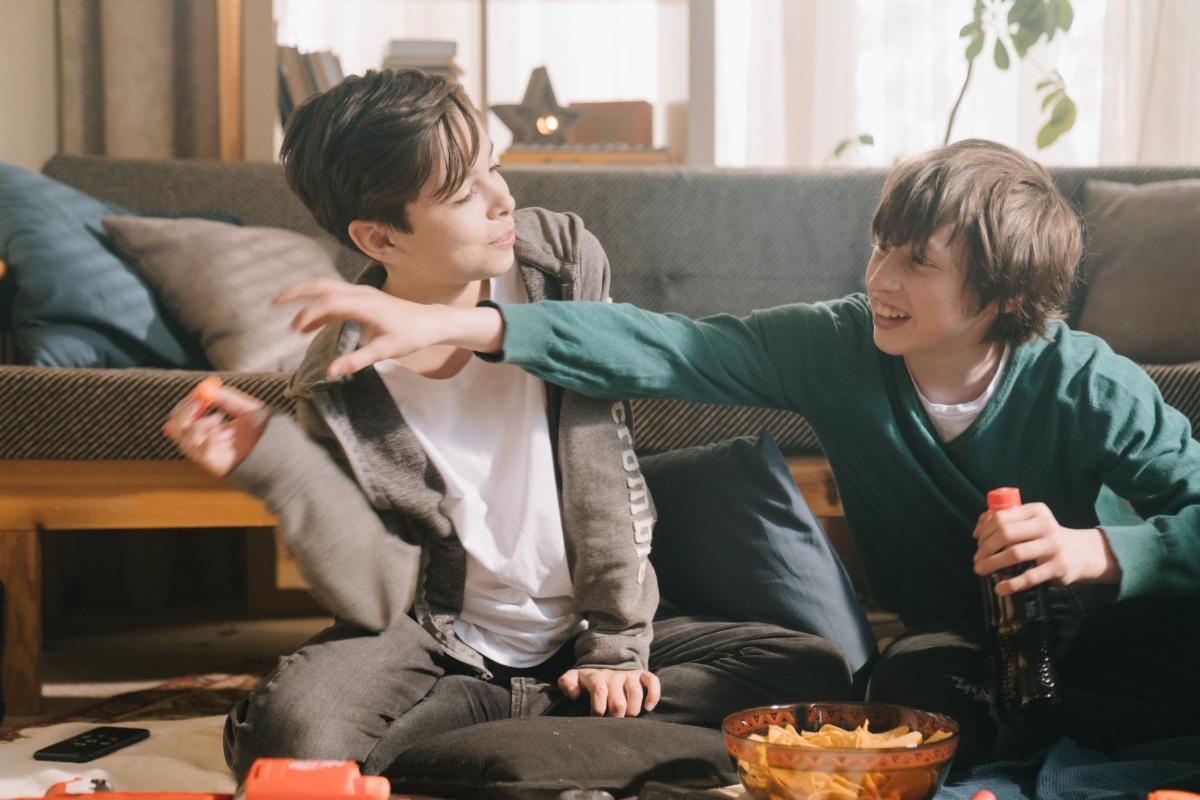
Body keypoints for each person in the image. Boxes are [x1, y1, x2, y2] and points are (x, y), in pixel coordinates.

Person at [307, 138, 1200, 765]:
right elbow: (670, 348)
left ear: (1002, 294)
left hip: (1121, 632)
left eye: (917, 264)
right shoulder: (839, 345)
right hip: (958, 645)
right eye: (880, 249)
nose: (879, 279)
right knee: (907, 708)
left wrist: (1099, 551)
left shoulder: (1088, 383)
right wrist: (458, 323)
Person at [163, 69, 851, 780]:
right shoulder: (338, 381)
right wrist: (281, 466)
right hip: (442, 647)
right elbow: (375, 598)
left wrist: (616, 648)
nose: (504, 200)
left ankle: (494, 753)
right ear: (380, 237)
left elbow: (606, 459)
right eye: (465, 194)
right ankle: (552, 745)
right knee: (290, 733)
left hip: (588, 633)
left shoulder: (558, 262)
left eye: (493, 167)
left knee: (809, 668)